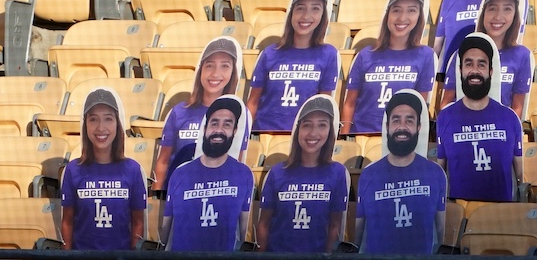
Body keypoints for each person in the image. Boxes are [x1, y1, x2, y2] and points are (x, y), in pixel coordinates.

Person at [355, 89, 447, 255]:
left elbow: (442, 234)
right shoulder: (368, 175)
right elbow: (357, 237)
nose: (402, 127)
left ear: (419, 127)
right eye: (396, 120)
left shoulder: (435, 173)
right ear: (387, 126)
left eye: (409, 121)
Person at [340, 0, 436, 134]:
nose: (402, 17)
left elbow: (420, 107)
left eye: (411, 10)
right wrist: (344, 138)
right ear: (387, 15)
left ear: (419, 16)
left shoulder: (425, 56)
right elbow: (350, 103)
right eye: (396, 10)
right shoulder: (365, 55)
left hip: (401, 139)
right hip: (362, 135)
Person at [161, 95, 254, 251]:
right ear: (205, 128)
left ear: (235, 131)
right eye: (214, 123)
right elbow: (166, 231)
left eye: (227, 124)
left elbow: (244, 231)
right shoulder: (180, 173)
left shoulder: (243, 174)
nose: (219, 130)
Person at [256, 95, 348, 253]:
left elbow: (334, 227)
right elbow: (264, 224)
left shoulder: (338, 173)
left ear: (330, 131)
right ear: (298, 130)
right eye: (307, 125)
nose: (313, 132)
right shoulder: (277, 172)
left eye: (322, 125)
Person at [437, 34, 523, 202]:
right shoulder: (445, 118)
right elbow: (441, 174)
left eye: (481, 64)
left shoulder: (509, 117)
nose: (474, 71)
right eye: (469, 64)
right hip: (461, 218)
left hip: (500, 216)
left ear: (491, 72)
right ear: (460, 70)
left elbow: (520, 178)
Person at [61, 88, 147, 250]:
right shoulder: (73, 170)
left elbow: (138, 223)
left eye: (108, 119)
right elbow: (67, 222)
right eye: (93, 119)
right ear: (85, 124)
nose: (101, 127)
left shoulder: (133, 170)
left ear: (117, 124)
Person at [152, 36, 242, 191]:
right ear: (200, 70)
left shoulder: (239, 116)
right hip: (179, 193)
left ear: (233, 72)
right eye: (209, 66)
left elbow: (237, 164)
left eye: (224, 66)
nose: (215, 73)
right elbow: (163, 162)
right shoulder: (179, 112)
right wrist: (157, 198)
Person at [248, 0, 339, 132]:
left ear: (324, 15)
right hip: (263, 132)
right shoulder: (270, 53)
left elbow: (323, 106)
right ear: (291, 13)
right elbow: (253, 102)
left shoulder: (328, 54)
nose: (305, 16)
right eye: (300, 8)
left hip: (303, 137)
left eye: (315, 9)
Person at [440, 0, 533, 118]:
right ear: (483, 14)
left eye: (507, 9)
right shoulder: (462, 53)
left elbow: (517, 109)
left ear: (515, 15)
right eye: (492, 8)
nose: (498, 16)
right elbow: (446, 104)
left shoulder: (522, 55)